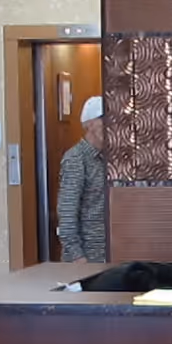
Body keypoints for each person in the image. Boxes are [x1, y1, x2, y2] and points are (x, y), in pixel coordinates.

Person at [57, 95, 108, 264]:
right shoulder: (76, 158)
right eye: (103, 118)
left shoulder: (112, 158)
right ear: (89, 124)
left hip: (110, 254)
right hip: (87, 259)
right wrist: (77, 257)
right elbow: (67, 213)